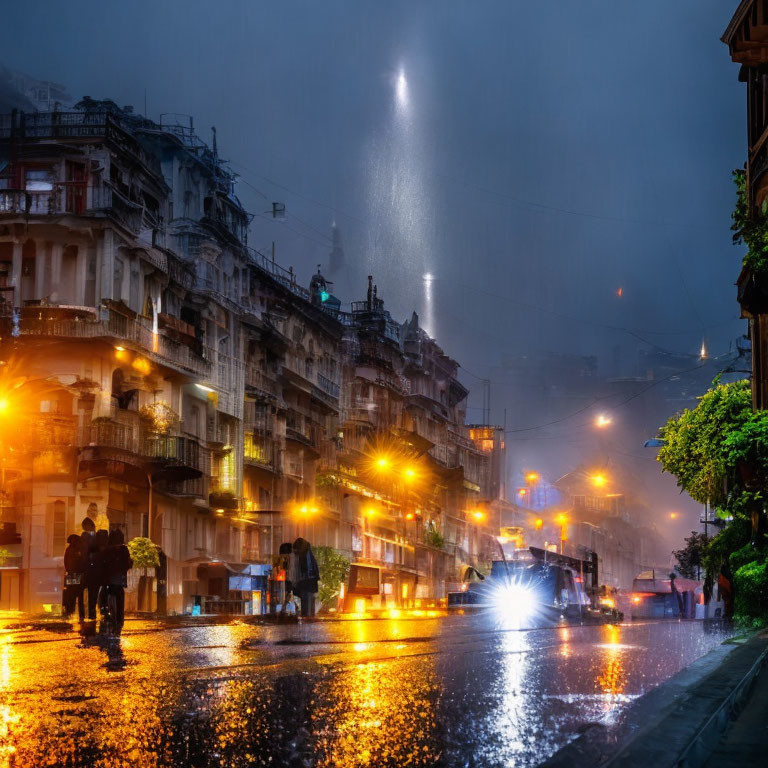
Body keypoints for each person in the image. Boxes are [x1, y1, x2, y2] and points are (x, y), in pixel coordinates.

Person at [104, 529, 132, 633]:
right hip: (120, 580)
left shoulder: (107, 550)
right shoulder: (124, 549)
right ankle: (119, 622)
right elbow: (128, 564)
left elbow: (104, 564)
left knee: (109, 597)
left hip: (110, 580)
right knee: (120, 600)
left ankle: (111, 618)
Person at [292, 537, 319, 617]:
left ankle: (307, 617)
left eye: (297, 550)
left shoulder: (305, 555)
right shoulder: (308, 552)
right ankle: (309, 618)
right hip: (310, 582)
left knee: (306, 603)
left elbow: (305, 570)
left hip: (307, 583)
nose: (296, 552)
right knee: (309, 604)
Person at [62, 534, 85, 621]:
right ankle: (80, 615)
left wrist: (69, 571)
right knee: (79, 596)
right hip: (77, 574)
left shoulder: (69, 549)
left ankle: (70, 612)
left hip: (71, 575)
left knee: (71, 595)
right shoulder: (79, 549)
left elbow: (66, 563)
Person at [80, 518, 98, 620]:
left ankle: (82, 614)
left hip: (84, 569)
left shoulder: (82, 538)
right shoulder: (91, 538)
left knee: (81, 593)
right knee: (92, 593)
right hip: (91, 569)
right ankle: (92, 613)